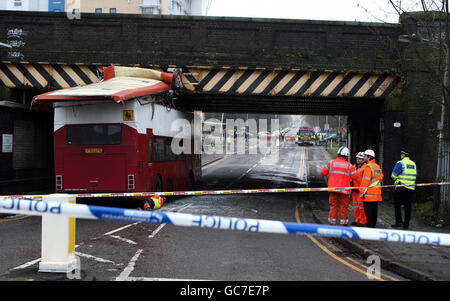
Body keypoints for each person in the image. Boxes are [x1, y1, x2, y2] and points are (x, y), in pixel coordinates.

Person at [321, 146, 358, 226]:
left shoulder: (331, 163)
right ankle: (343, 224)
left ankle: (332, 223)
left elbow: (323, 173)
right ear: (346, 156)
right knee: (344, 207)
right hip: (345, 190)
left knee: (333, 206)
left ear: (338, 154)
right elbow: (355, 177)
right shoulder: (349, 166)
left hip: (333, 189)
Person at [391, 148, 417, 229]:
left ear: (403, 155)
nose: (400, 155)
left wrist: (396, 178)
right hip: (411, 188)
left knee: (397, 205)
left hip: (401, 187)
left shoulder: (400, 163)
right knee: (407, 206)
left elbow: (393, 176)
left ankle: (399, 222)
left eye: (401, 154)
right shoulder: (413, 164)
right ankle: (406, 224)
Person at [359, 149, 384, 228]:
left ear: (369, 157)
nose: (364, 158)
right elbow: (381, 177)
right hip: (376, 194)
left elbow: (365, 181)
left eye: (365, 156)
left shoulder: (368, 167)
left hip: (369, 195)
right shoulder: (377, 166)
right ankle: (373, 227)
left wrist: (362, 192)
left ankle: (370, 228)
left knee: (369, 213)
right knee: (374, 212)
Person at [350, 152, 367, 226]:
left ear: (364, 159)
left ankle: (363, 221)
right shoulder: (354, 166)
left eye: (360, 159)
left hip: (361, 190)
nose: (358, 160)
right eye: (357, 158)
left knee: (361, 208)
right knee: (356, 207)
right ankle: (358, 220)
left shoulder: (365, 167)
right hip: (354, 190)